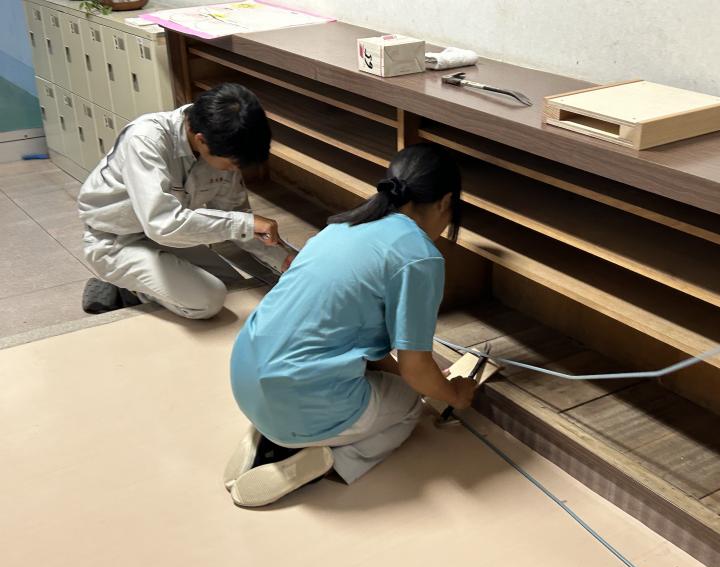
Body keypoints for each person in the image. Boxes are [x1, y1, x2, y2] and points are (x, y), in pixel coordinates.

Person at [224, 143, 478, 507]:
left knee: (368, 377)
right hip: (296, 399)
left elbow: (362, 342)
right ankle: (327, 459)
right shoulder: (419, 256)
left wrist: (418, 377)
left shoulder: (342, 225)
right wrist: (454, 394)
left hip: (244, 376)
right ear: (445, 202)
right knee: (410, 406)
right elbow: (415, 367)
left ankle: (269, 435)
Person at [77, 83, 292, 320]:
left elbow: (238, 218)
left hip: (169, 236)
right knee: (208, 300)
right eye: (232, 164)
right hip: (116, 239)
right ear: (201, 140)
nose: (234, 170)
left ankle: (145, 282)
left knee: (231, 286)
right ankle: (128, 290)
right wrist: (245, 224)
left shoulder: (221, 138)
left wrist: (284, 259)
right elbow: (162, 224)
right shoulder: (145, 139)